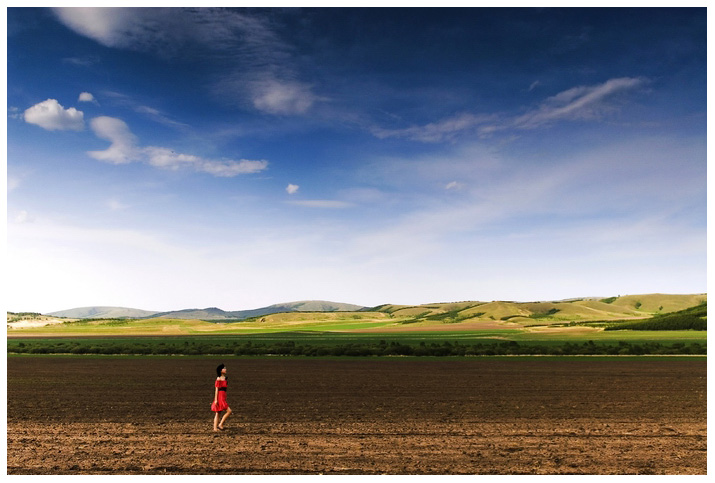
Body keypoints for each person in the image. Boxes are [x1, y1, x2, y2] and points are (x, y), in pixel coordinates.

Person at [211, 363, 232, 431]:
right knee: (228, 411)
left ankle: (215, 428)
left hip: (223, 396)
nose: (225, 369)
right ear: (220, 370)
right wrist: (216, 400)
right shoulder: (219, 378)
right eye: (224, 368)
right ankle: (220, 425)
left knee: (218, 413)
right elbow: (216, 389)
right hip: (220, 396)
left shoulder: (225, 378)